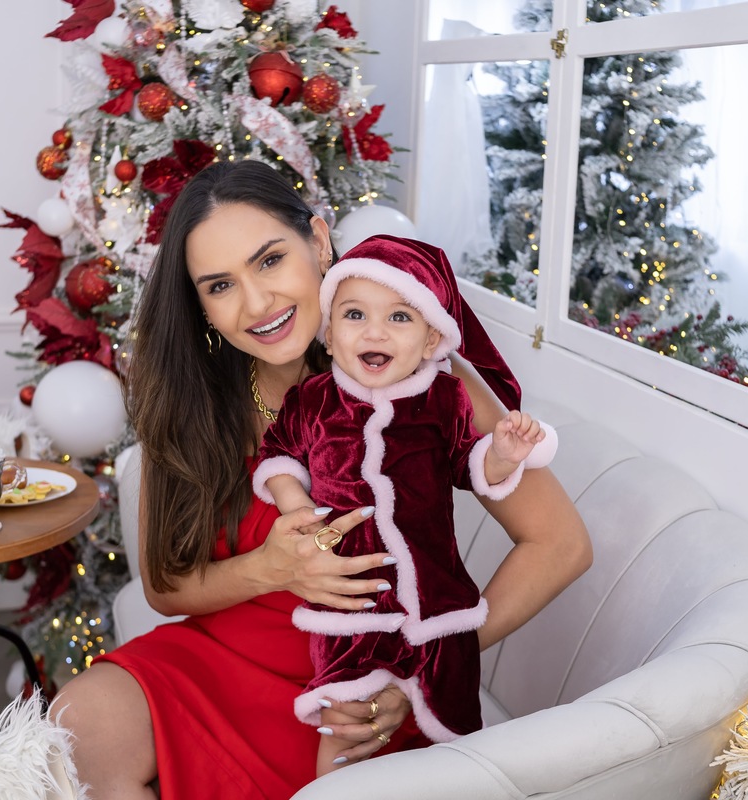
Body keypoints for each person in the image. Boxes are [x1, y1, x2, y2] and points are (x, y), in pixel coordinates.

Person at [48, 160, 593, 800]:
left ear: (318, 240)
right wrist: (271, 568)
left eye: (270, 260)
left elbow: (561, 545)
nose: (257, 303)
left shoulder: (424, 378)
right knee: (78, 727)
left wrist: (425, 667)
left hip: (364, 679)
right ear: (202, 306)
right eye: (220, 285)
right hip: (219, 662)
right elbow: (166, 589)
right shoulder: (191, 399)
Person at [253, 235, 558, 776]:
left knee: (451, 741)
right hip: (353, 609)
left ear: (431, 339)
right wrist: (296, 507)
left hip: (437, 607)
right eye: (354, 315)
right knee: (346, 731)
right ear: (330, 333)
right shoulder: (314, 401)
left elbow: (470, 467)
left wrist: (502, 456)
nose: (374, 332)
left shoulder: (445, 400)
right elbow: (278, 455)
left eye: (399, 317)